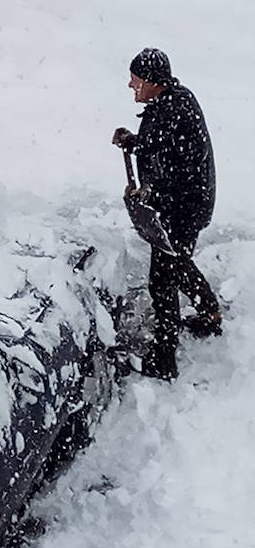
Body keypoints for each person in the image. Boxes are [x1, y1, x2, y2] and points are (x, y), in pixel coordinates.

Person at [112, 48, 221, 381]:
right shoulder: (173, 101)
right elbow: (161, 145)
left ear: (150, 81)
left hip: (183, 209)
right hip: (186, 204)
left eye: (135, 81)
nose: (131, 86)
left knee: (162, 280)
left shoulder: (170, 111)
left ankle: (163, 358)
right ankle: (210, 315)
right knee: (178, 262)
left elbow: (176, 166)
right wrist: (136, 142)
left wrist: (149, 194)